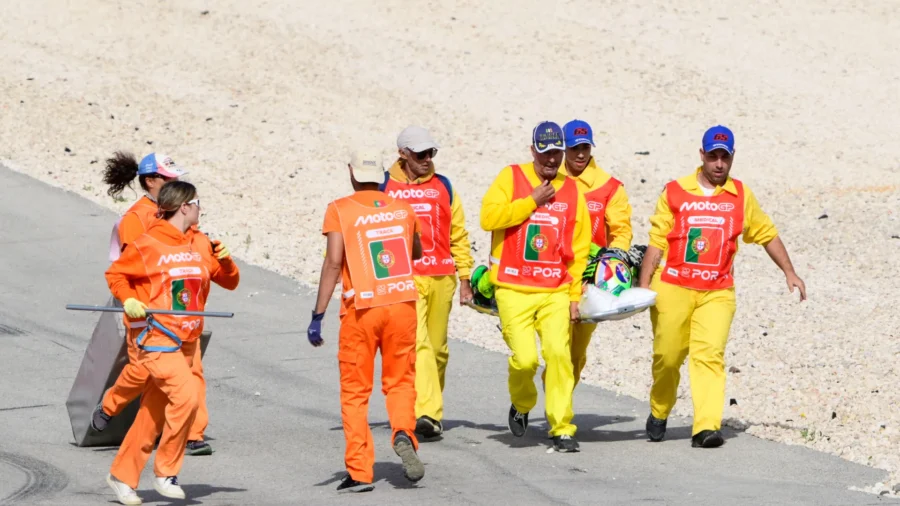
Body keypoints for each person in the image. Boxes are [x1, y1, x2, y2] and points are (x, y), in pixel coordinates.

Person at [637, 125, 807, 448]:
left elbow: (766, 232)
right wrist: (644, 287)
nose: (718, 164)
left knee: (709, 355)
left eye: (724, 158)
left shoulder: (740, 195)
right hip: (673, 286)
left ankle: (705, 427)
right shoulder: (674, 191)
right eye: (712, 156)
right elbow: (657, 242)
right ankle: (659, 410)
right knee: (668, 356)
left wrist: (790, 271)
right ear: (701, 156)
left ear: (731, 159)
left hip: (717, 291)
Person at [103, 181, 240, 505]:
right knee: (186, 397)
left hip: (188, 341)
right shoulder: (148, 243)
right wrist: (128, 300)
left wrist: (228, 261)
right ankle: (166, 471)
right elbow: (116, 275)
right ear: (184, 207)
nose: (201, 208)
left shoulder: (201, 242)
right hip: (157, 338)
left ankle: (121, 476)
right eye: (198, 203)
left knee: (153, 413)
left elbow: (230, 283)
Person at [307, 149, 426, 493]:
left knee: (356, 392)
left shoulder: (340, 209)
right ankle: (403, 431)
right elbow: (415, 251)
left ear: (352, 173)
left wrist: (318, 314)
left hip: (363, 310)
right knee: (401, 380)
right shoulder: (403, 208)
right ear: (383, 176)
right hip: (402, 304)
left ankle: (360, 471)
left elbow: (333, 262)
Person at [479, 121, 591, 452]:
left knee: (559, 354)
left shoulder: (571, 191)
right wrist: (530, 201)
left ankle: (562, 426)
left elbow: (580, 247)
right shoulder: (510, 177)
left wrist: (574, 296)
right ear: (533, 151)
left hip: (554, 290)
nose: (551, 161)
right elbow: (489, 218)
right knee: (526, 360)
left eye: (557, 153)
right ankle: (523, 403)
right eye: (545, 153)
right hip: (513, 288)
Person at [95, 152, 213, 457]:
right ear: (151, 181)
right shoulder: (136, 219)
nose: (179, 183)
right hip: (146, 313)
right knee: (142, 373)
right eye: (170, 179)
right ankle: (110, 406)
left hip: (180, 310)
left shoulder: (180, 213)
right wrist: (131, 301)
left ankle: (193, 434)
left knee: (192, 370)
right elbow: (127, 268)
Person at [380, 126, 474, 440]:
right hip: (406, 279)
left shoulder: (443, 185)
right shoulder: (385, 186)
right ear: (402, 154)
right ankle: (427, 413)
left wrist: (465, 277)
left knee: (438, 350)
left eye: (430, 153)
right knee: (418, 345)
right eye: (420, 154)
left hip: (442, 276)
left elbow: (458, 234)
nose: (427, 159)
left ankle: (431, 412)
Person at [559, 119, 633, 386]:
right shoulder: (549, 179)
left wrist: (613, 260)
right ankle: (542, 406)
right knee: (555, 347)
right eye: (574, 147)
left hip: (590, 281)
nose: (580, 154)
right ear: (564, 148)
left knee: (576, 353)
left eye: (585, 147)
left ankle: (558, 403)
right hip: (553, 276)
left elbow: (621, 231)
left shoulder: (610, 187)